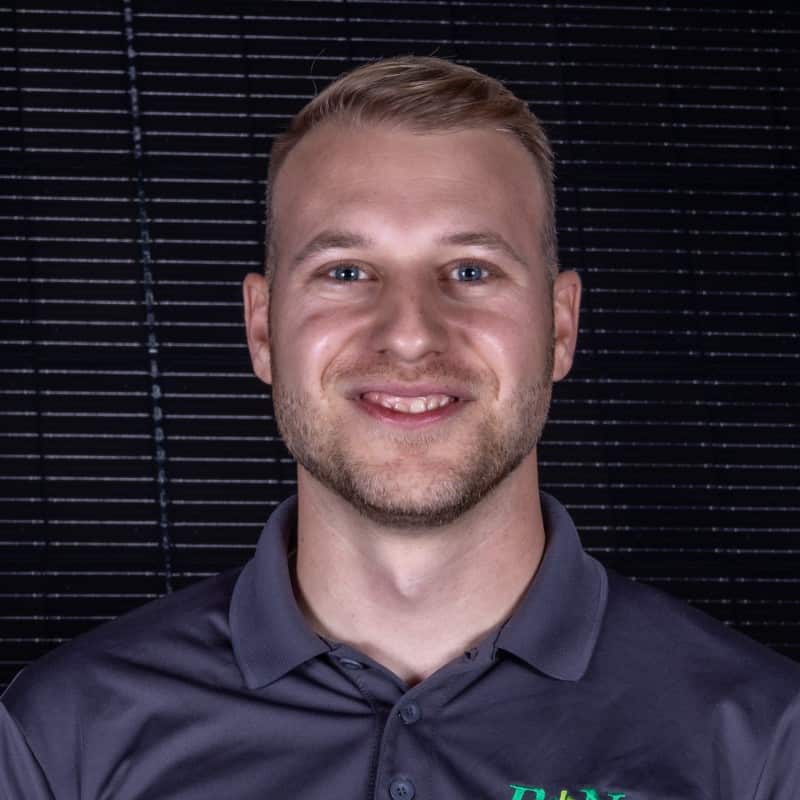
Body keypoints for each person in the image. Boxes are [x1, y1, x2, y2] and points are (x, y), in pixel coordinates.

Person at [2, 56, 798, 800]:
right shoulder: (63, 739)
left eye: (471, 271)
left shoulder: (763, 742)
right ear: (263, 331)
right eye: (346, 272)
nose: (412, 333)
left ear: (559, 328)